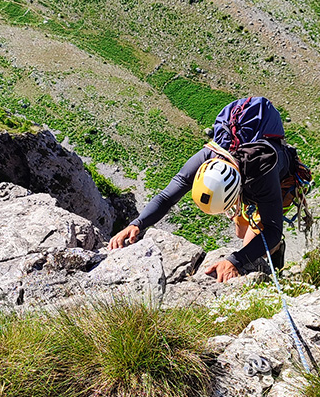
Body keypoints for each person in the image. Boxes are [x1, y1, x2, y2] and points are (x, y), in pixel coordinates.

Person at [109, 97, 291, 282]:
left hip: (276, 182)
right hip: (243, 177)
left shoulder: (262, 169)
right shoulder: (206, 156)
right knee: (240, 231)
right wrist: (137, 224)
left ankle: (275, 260)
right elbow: (166, 198)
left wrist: (235, 261)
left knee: (253, 240)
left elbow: (272, 230)